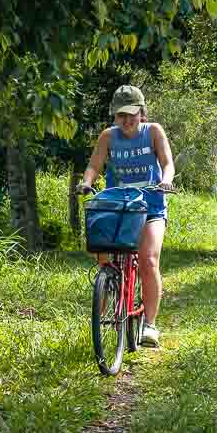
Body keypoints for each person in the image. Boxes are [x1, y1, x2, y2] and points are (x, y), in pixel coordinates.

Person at [77, 85, 175, 348]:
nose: (127, 120)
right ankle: (105, 300)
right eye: (121, 115)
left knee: (148, 260)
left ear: (142, 112)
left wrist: (165, 181)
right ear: (114, 116)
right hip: (119, 206)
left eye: (132, 114)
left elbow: (167, 162)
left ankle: (150, 325)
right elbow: (94, 165)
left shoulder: (153, 132)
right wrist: (87, 183)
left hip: (151, 206)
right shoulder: (108, 137)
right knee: (103, 254)